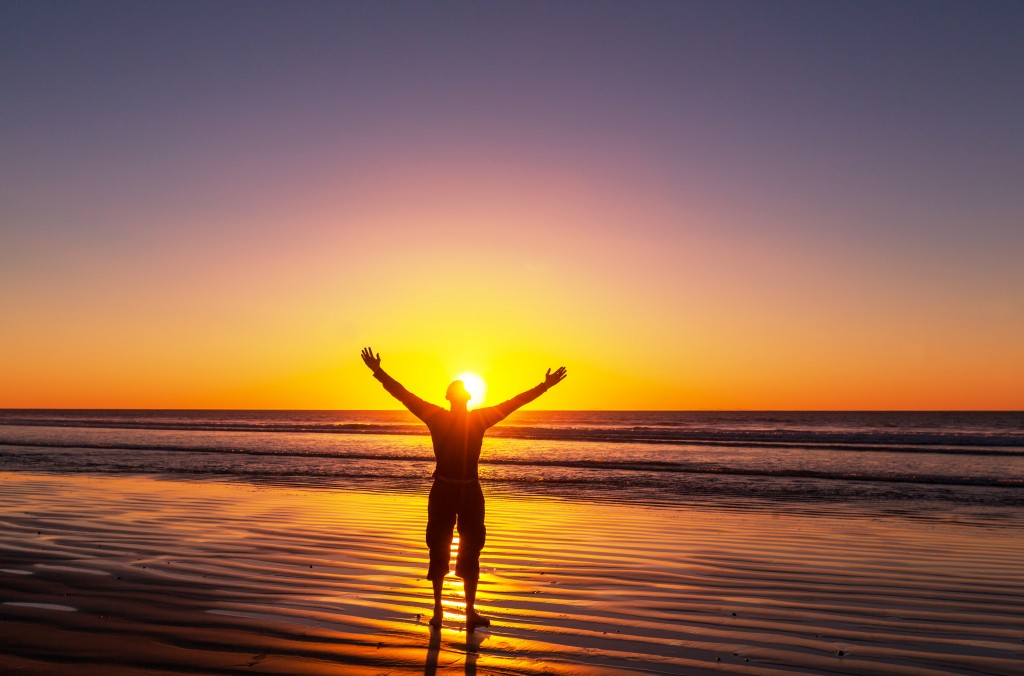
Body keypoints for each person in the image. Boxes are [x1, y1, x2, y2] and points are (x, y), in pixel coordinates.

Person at [360, 347, 567, 630]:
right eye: (459, 397)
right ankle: (439, 611)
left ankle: (465, 613)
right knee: (439, 547)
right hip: (447, 491)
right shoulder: (446, 417)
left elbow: (514, 402)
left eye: (462, 397)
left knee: (469, 549)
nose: (461, 401)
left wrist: (544, 386)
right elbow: (402, 394)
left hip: (467, 491)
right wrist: (379, 371)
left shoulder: (462, 418)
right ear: (455, 399)